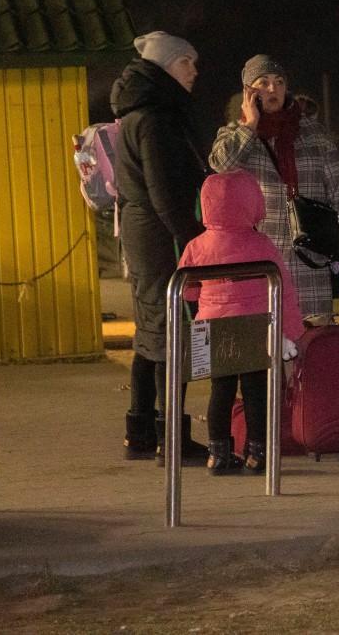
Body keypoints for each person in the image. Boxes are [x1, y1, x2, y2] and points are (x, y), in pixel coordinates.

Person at [110, 31, 210, 463]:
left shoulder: (140, 112)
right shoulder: (155, 118)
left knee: (150, 334)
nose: (194, 72)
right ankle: (171, 439)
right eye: (187, 63)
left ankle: (140, 434)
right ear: (167, 65)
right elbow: (165, 193)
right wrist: (196, 241)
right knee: (174, 333)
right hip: (160, 237)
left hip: (142, 234)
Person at [208, 55, 339, 318]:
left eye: (279, 82)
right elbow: (221, 164)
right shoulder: (237, 133)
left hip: (311, 259)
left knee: (312, 341)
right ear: (248, 92)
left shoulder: (313, 134)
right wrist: (250, 124)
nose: (272, 89)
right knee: (269, 343)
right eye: (263, 83)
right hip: (261, 258)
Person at [177, 170, 304, 474]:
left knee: (220, 391)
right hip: (253, 329)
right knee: (256, 392)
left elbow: (188, 290)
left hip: (213, 330)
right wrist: (294, 331)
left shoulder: (196, 246)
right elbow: (284, 289)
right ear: (253, 203)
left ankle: (218, 454)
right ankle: (257, 453)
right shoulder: (261, 244)